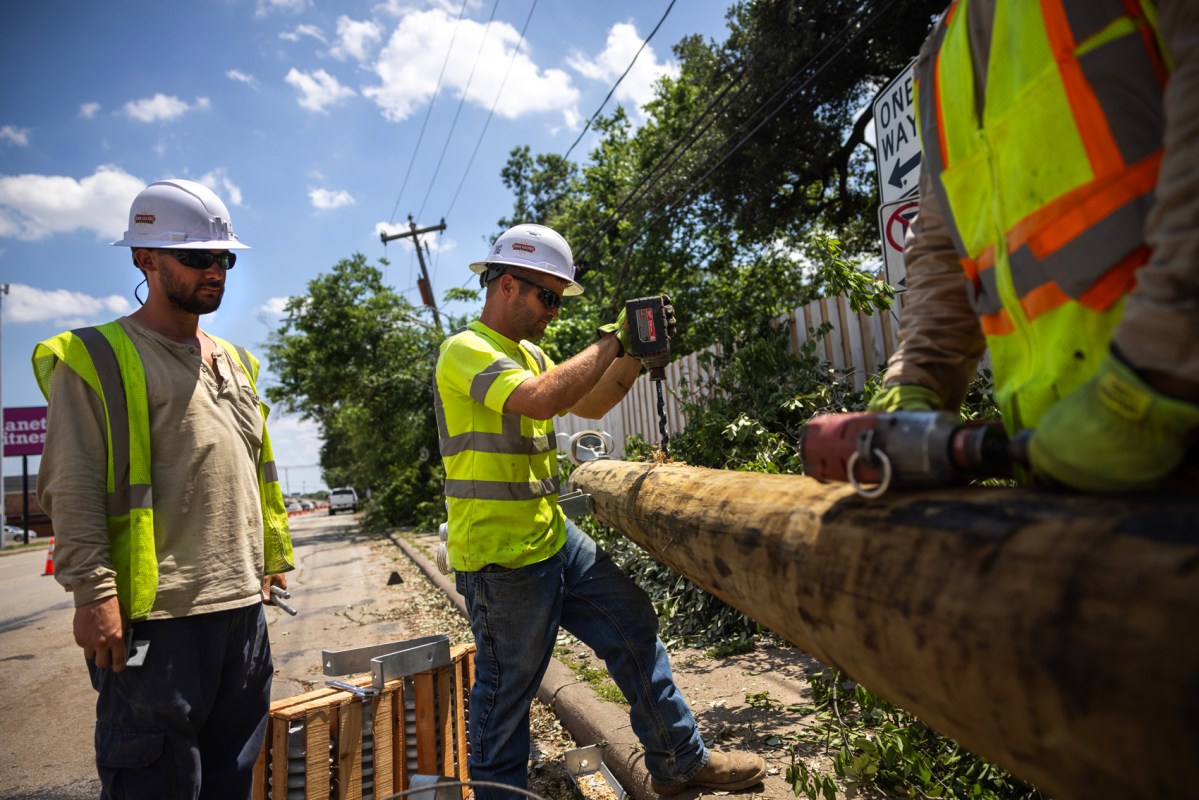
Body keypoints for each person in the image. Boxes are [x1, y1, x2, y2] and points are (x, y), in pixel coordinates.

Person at [434, 223, 766, 798]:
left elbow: (588, 401)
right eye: (548, 297)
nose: (554, 313)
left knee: (633, 623)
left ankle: (678, 762)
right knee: (505, 695)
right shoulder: (465, 350)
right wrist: (613, 338)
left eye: (560, 301)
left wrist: (632, 354)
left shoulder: (529, 352)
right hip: (500, 559)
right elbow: (543, 398)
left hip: (551, 539)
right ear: (506, 285)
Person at [33, 179, 295, 799]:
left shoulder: (235, 360)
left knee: (231, 781)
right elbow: (71, 488)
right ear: (144, 259)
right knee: (157, 784)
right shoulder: (94, 357)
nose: (215, 271)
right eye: (197, 257)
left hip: (238, 610)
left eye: (223, 258)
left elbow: (251, 469)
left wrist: (268, 560)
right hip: (159, 619)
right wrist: (94, 595)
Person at [869, 0, 1199, 492]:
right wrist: (914, 384)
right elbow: (943, 250)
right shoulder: (941, 57)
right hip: (1058, 471)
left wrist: (1159, 373)